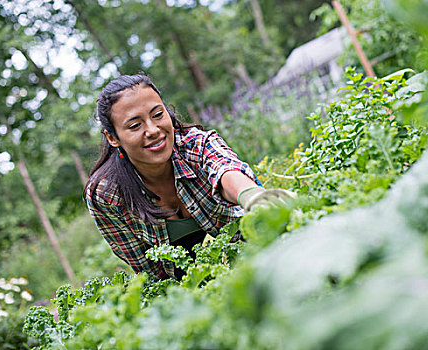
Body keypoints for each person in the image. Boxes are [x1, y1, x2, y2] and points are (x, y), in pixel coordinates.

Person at [84, 74, 293, 280]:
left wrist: (251, 196)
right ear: (113, 137)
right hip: (183, 281)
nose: (153, 130)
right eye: (135, 126)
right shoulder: (106, 194)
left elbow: (224, 168)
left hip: (250, 250)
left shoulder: (195, 144)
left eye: (158, 114)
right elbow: (146, 268)